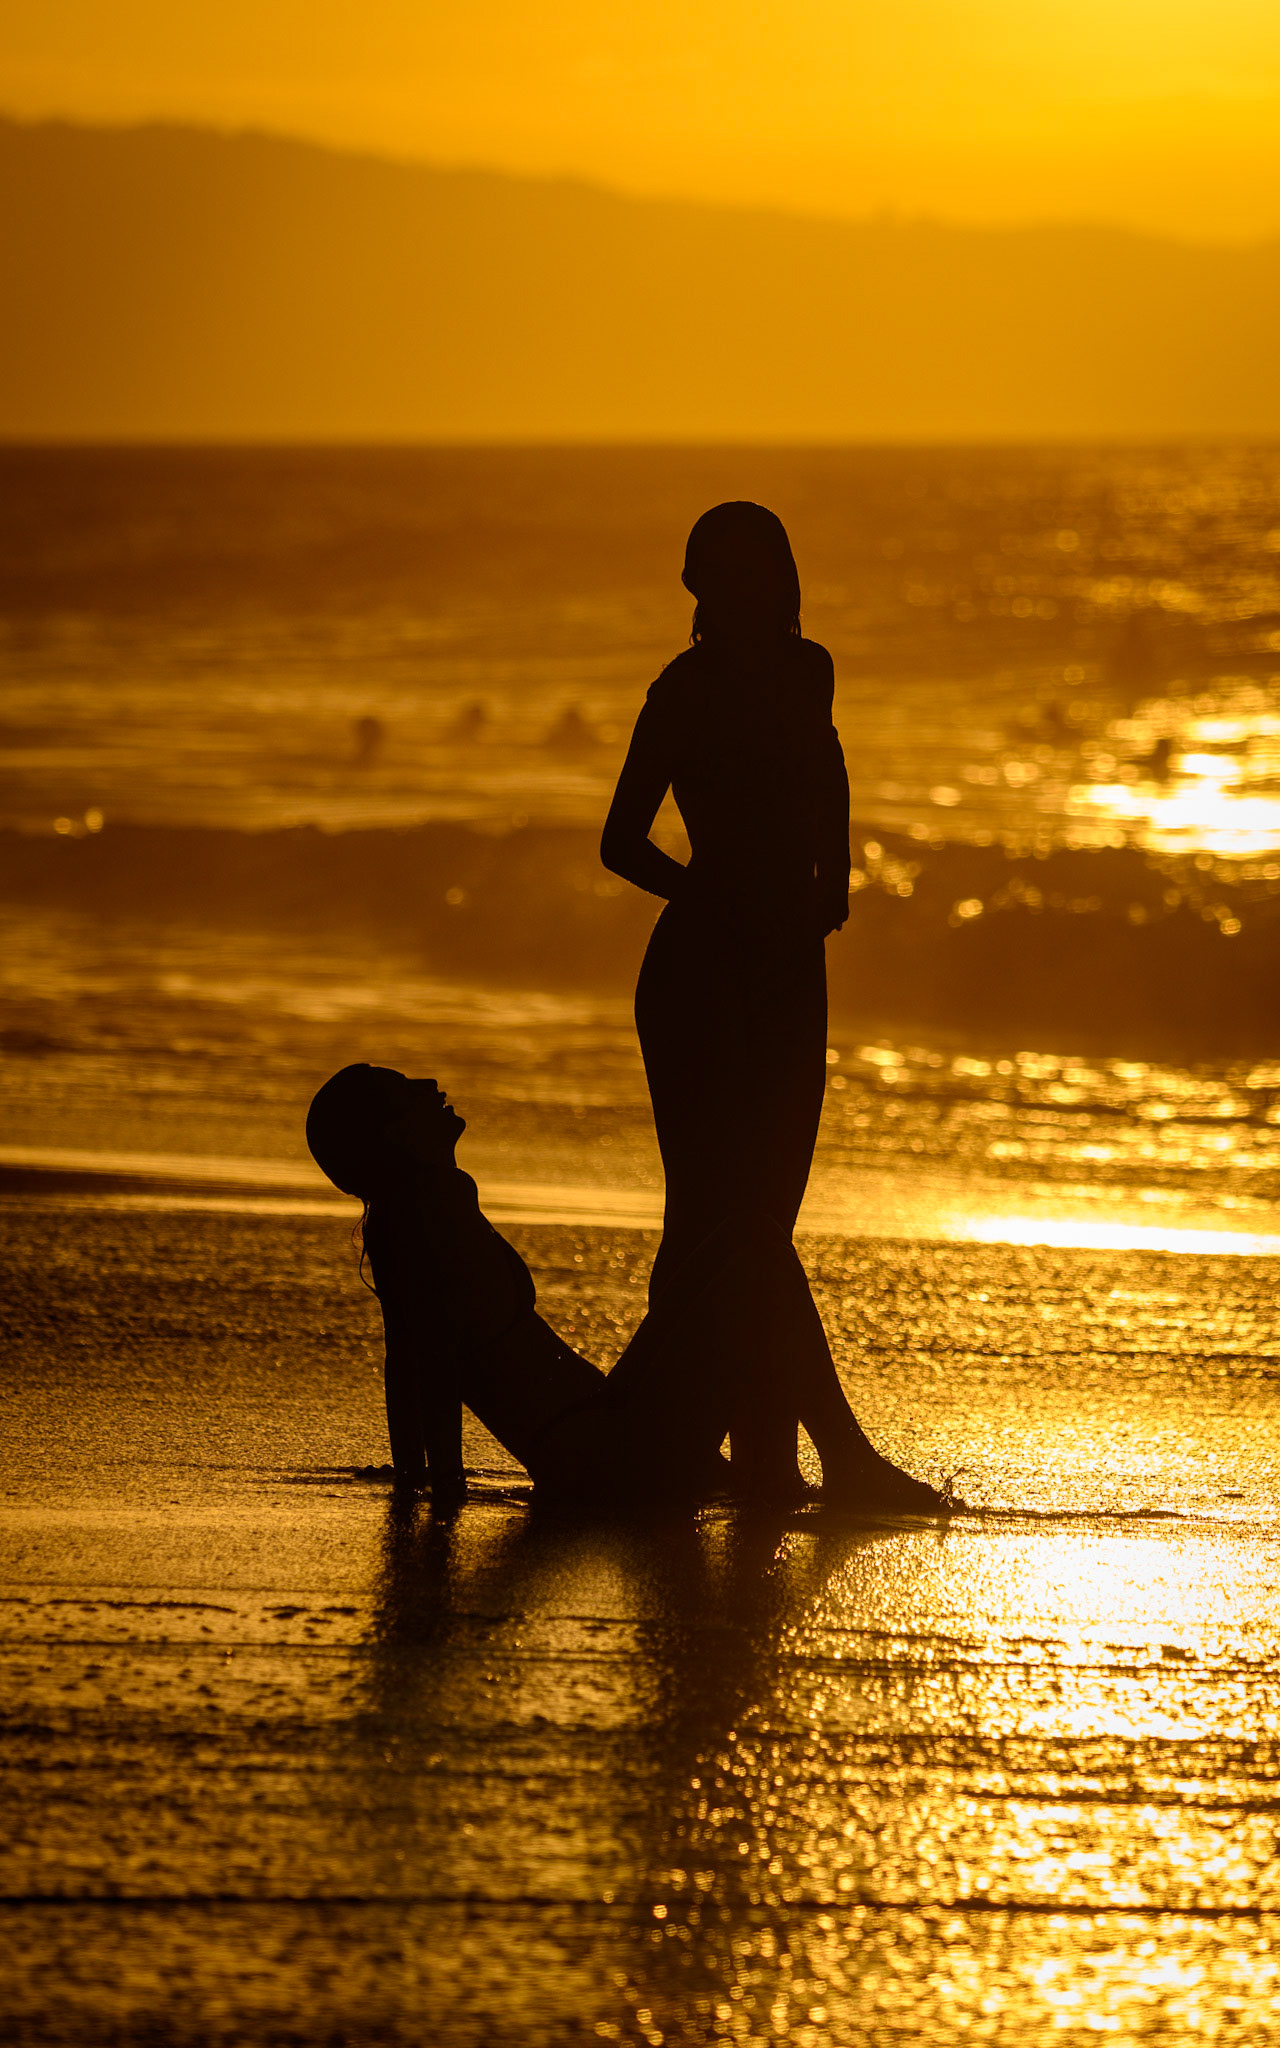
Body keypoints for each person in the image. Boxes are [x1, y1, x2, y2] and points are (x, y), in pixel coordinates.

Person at [305, 1062, 947, 1516]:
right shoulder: (429, 1208)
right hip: (601, 1460)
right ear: (393, 1134)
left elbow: (405, 1362)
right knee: (758, 1261)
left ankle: (818, 1466)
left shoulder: (410, 1217)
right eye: (405, 1092)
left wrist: (416, 1479)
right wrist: (440, 1488)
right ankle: (845, 1462)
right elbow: (434, 1365)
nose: (429, 1085)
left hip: (599, 1436)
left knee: (749, 1236)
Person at [601, 503, 850, 1309]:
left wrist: (834, 878)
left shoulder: (811, 668)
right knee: (706, 1214)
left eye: (762, 573)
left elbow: (827, 770)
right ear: (703, 588)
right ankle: (666, 1415)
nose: (749, 593)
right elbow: (620, 840)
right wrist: (705, 898)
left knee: (771, 1216)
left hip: (788, 959)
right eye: (729, 577)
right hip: (698, 974)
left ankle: (756, 1423)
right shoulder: (682, 692)